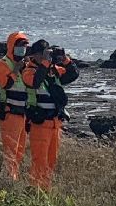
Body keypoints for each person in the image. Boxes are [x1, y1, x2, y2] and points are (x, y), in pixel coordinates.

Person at [22, 39, 79, 190]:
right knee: (40, 161)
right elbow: (35, 82)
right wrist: (45, 64)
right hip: (40, 123)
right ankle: (35, 190)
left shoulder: (54, 70)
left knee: (51, 161)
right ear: (35, 55)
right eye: (42, 55)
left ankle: (45, 190)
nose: (45, 58)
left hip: (55, 123)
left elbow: (72, 75)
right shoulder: (29, 70)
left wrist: (65, 58)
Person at [0, 32, 30, 180]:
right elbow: (6, 84)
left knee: (20, 150)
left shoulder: (25, 65)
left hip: (23, 113)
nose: (22, 49)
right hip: (10, 113)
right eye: (19, 46)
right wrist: (16, 70)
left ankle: (14, 176)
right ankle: (9, 178)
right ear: (11, 46)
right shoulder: (2, 64)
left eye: (25, 46)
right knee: (10, 149)